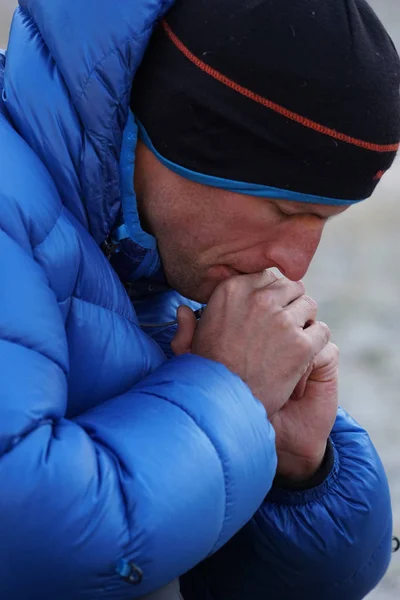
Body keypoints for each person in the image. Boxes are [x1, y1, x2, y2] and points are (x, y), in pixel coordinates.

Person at [0, 0, 399, 598]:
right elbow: (26, 539)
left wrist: (294, 468)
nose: (294, 265)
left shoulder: (136, 250)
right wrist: (225, 394)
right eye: (285, 210)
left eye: (324, 221)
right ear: (178, 140)